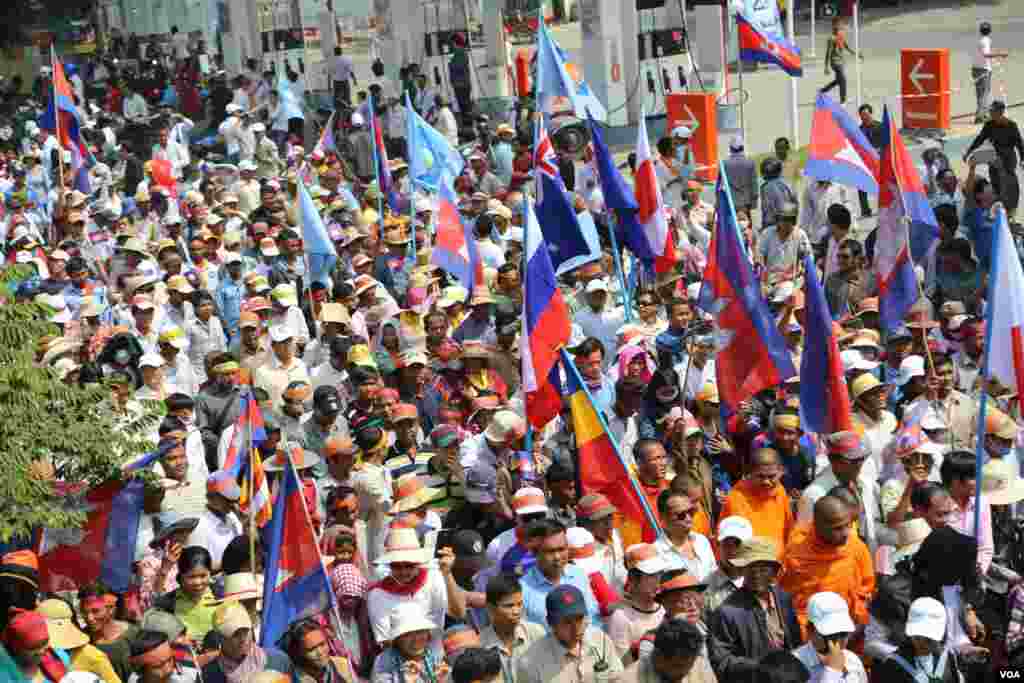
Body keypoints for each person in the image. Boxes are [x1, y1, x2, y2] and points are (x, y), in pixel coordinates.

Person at [707, 536, 802, 680]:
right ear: (742, 570)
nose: (756, 575)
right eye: (751, 568)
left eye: (763, 569)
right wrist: (759, 667)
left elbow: (795, 643)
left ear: (774, 571)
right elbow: (721, 661)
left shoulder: (783, 599)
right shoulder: (727, 612)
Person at [781, 496, 876, 640]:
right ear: (818, 525)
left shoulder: (856, 547)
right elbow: (784, 598)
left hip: (850, 632)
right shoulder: (795, 553)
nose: (845, 533)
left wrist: (856, 625)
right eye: (837, 528)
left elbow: (867, 588)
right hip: (809, 636)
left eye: (848, 525)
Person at [515, 585, 622, 683]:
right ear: (550, 622)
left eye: (579, 619)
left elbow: (618, 677)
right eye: (566, 622)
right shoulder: (530, 664)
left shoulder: (600, 640)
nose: (576, 628)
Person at [869, 596, 963, 683]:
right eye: (917, 637)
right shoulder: (893, 666)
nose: (922, 643)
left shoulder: (948, 659)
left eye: (928, 639)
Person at [720, 448, 795, 552]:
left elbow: (789, 530)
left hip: (778, 563)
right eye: (760, 476)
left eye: (771, 476)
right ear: (750, 472)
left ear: (781, 471)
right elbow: (726, 545)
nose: (766, 482)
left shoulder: (780, 491)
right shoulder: (736, 499)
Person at [963, 100, 1024, 222]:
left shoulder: (1011, 125)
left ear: (1000, 112)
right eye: (990, 111)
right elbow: (980, 139)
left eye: (993, 111)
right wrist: (969, 151)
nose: (990, 113)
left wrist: (1023, 159)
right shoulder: (989, 124)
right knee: (995, 180)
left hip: (1008, 157)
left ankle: (1011, 207)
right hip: (994, 156)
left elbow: (1019, 144)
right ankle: (998, 204)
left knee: (1010, 181)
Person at [790, 592, 868, 683]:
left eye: (843, 634)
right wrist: (833, 671)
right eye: (831, 635)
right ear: (810, 630)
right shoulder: (793, 665)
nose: (837, 642)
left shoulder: (853, 661)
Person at [618, 618, 715, 683]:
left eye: (690, 665)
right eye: (678, 665)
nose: (685, 671)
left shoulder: (701, 667)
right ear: (658, 655)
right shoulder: (628, 680)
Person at [972, 22, 1009, 124]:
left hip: (976, 68)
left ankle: (981, 114)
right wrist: (1000, 54)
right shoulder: (985, 41)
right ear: (990, 31)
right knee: (984, 93)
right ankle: (980, 116)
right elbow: (986, 54)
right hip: (983, 69)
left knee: (980, 93)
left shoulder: (981, 40)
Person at [821, 18, 858, 104]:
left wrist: (856, 53)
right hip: (835, 62)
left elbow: (846, 47)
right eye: (837, 25)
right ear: (833, 26)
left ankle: (822, 91)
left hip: (841, 61)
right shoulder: (831, 38)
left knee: (839, 80)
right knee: (843, 80)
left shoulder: (841, 35)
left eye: (840, 25)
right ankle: (843, 100)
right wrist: (826, 67)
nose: (840, 26)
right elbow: (828, 53)